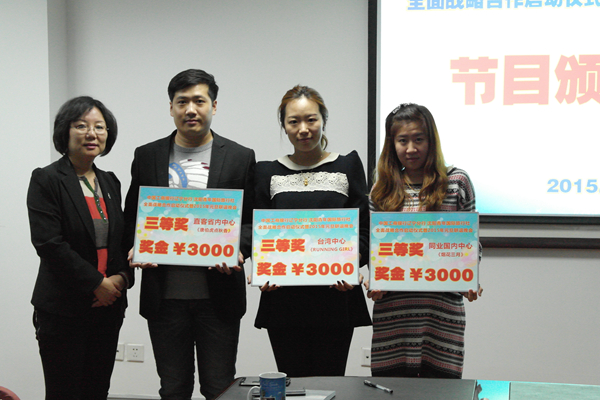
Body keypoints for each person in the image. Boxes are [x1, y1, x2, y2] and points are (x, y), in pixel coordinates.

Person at [123, 69, 255, 400]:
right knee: (173, 388)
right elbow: (132, 217)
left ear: (214, 106)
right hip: (164, 298)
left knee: (219, 387)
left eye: (199, 101)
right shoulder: (147, 155)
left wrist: (236, 248)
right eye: (182, 102)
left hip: (219, 297)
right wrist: (136, 247)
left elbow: (252, 222)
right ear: (171, 107)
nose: (191, 109)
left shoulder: (240, 156)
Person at [253, 85, 372, 377]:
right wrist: (262, 269)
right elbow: (258, 233)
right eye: (294, 121)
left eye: (311, 119)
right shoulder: (266, 172)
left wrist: (352, 263)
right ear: (284, 125)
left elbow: (364, 229)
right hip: (284, 301)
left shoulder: (348, 165)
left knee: (331, 385)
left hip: (336, 297)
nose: (303, 129)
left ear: (324, 120)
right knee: (291, 385)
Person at [367, 103, 483, 379]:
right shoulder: (381, 189)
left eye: (419, 139)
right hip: (394, 314)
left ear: (431, 140)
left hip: (441, 313)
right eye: (402, 141)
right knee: (391, 393)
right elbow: (376, 250)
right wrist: (374, 281)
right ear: (392, 144)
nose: (411, 148)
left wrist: (470, 276)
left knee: (442, 392)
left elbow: (471, 243)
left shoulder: (457, 182)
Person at [27, 96, 131, 400]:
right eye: (81, 126)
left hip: (108, 308)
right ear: (65, 131)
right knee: (64, 392)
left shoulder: (110, 182)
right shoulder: (47, 179)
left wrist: (122, 279)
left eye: (99, 127)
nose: (91, 133)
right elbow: (49, 244)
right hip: (63, 309)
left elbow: (121, 242)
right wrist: (96, 283)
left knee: (97, 390)